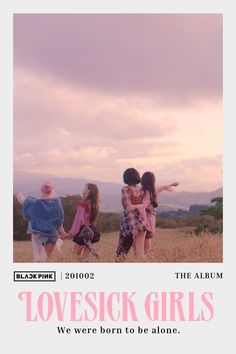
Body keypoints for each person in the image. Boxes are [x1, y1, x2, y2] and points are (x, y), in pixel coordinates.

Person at [15, 182, 66, 262]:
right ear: (52, 192)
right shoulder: (57, 203)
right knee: (45, 258)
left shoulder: (36, 204)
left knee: (39, 259)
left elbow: (23, 201)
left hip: (38, 234)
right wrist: (62, 231)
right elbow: (60, 218)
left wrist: (18, 192)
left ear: (41, 191)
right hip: (52, 235)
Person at [141, 172, 179, 253]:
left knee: (145, 240)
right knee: (147, 239)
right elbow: (163, 187)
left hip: (145, 218)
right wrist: (172, 184)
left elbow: (144, 205)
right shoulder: (153, 191)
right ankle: (146, 257)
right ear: (152, 181)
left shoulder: (144, 192)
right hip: (149, 219)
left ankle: (145, 258)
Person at [116, 168, 146, 261]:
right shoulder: (141, 190)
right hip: (141, 221)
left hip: (129, 222)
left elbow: (129, 208)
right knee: (140, 252)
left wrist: (132, 227)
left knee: (122, 250)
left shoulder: (125, 189)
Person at [68, 183, 100, 261]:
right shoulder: (95, 204)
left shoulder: (83, 204)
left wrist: (71, 233)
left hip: (83, 231)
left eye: (85, 187)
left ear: (89, 190)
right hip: (92, 230)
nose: (83, 189)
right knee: (86, 258)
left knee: (75, 255)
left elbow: (78, 221)